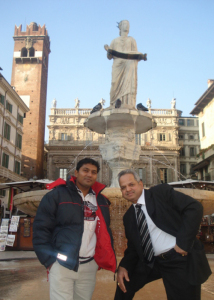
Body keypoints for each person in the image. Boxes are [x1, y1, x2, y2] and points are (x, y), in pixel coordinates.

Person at [115, 169, 211, 300]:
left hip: (177, 258)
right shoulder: (129, 216)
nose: (128, 189)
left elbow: (194, 208)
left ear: (141, 184)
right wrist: (124, 266)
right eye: (123, 187)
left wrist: (183, 242)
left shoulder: (160, 193)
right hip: (152, 262)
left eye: (131, 184)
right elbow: (133, 247)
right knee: (125, 280)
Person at [33, 158, 116, 300]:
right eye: (85, 170)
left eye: (94, 172)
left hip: (89, 265)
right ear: (76, 172)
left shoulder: (101, 200)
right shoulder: (57, 195)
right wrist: (50, 261)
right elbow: (41, 229)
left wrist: (99, 260)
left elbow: (104, 231)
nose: (89, 175)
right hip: (62, 265)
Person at [104, 20, 145, 108]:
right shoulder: (115, 40)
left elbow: (135, 53)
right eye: (125, 24)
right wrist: (108, 51)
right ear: (120, 27)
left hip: (129, 65)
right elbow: (109, 57)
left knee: (128, 84)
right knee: (114, 83)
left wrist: (140, 56)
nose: (127, 26)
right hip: (118, 65)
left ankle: (127, 103)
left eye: (128, 25)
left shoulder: (132, 40)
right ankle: (113, 103)